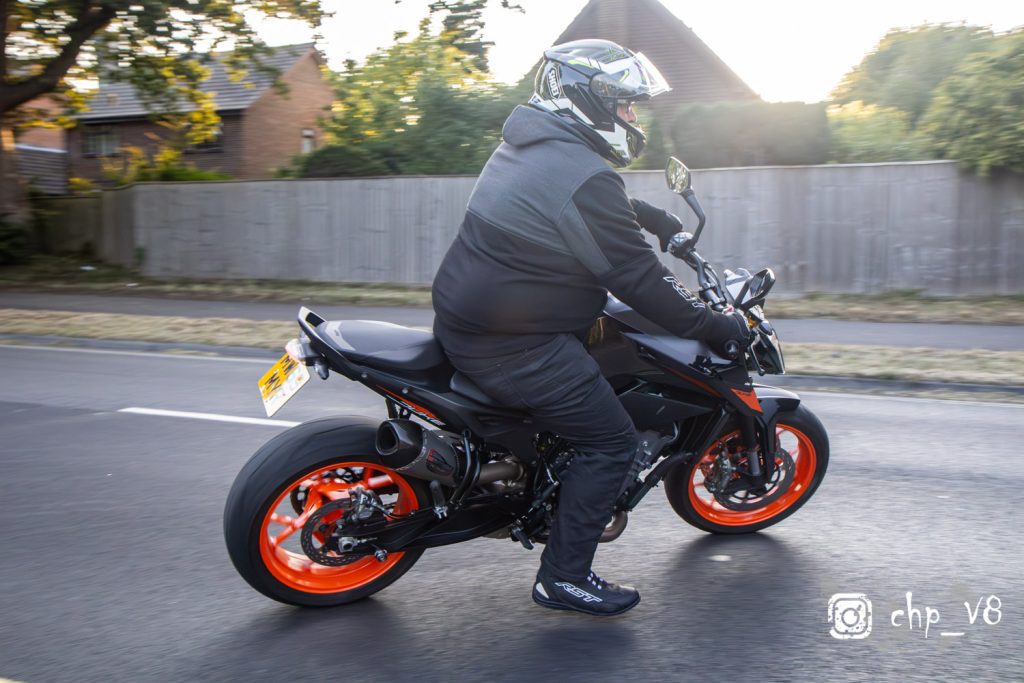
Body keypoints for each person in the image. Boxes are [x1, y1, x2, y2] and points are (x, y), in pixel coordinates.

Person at [430, 39, 751, 616]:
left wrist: (654, 218)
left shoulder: (531, 145)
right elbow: (640, 283)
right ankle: (565, 576)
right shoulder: (580, 172)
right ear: (591, 100)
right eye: (627, 106)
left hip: (472, 316)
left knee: (609, 361)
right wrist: (716, 324)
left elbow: (577, 207)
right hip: (514, 344)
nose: (633, 117)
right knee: (610, 440)